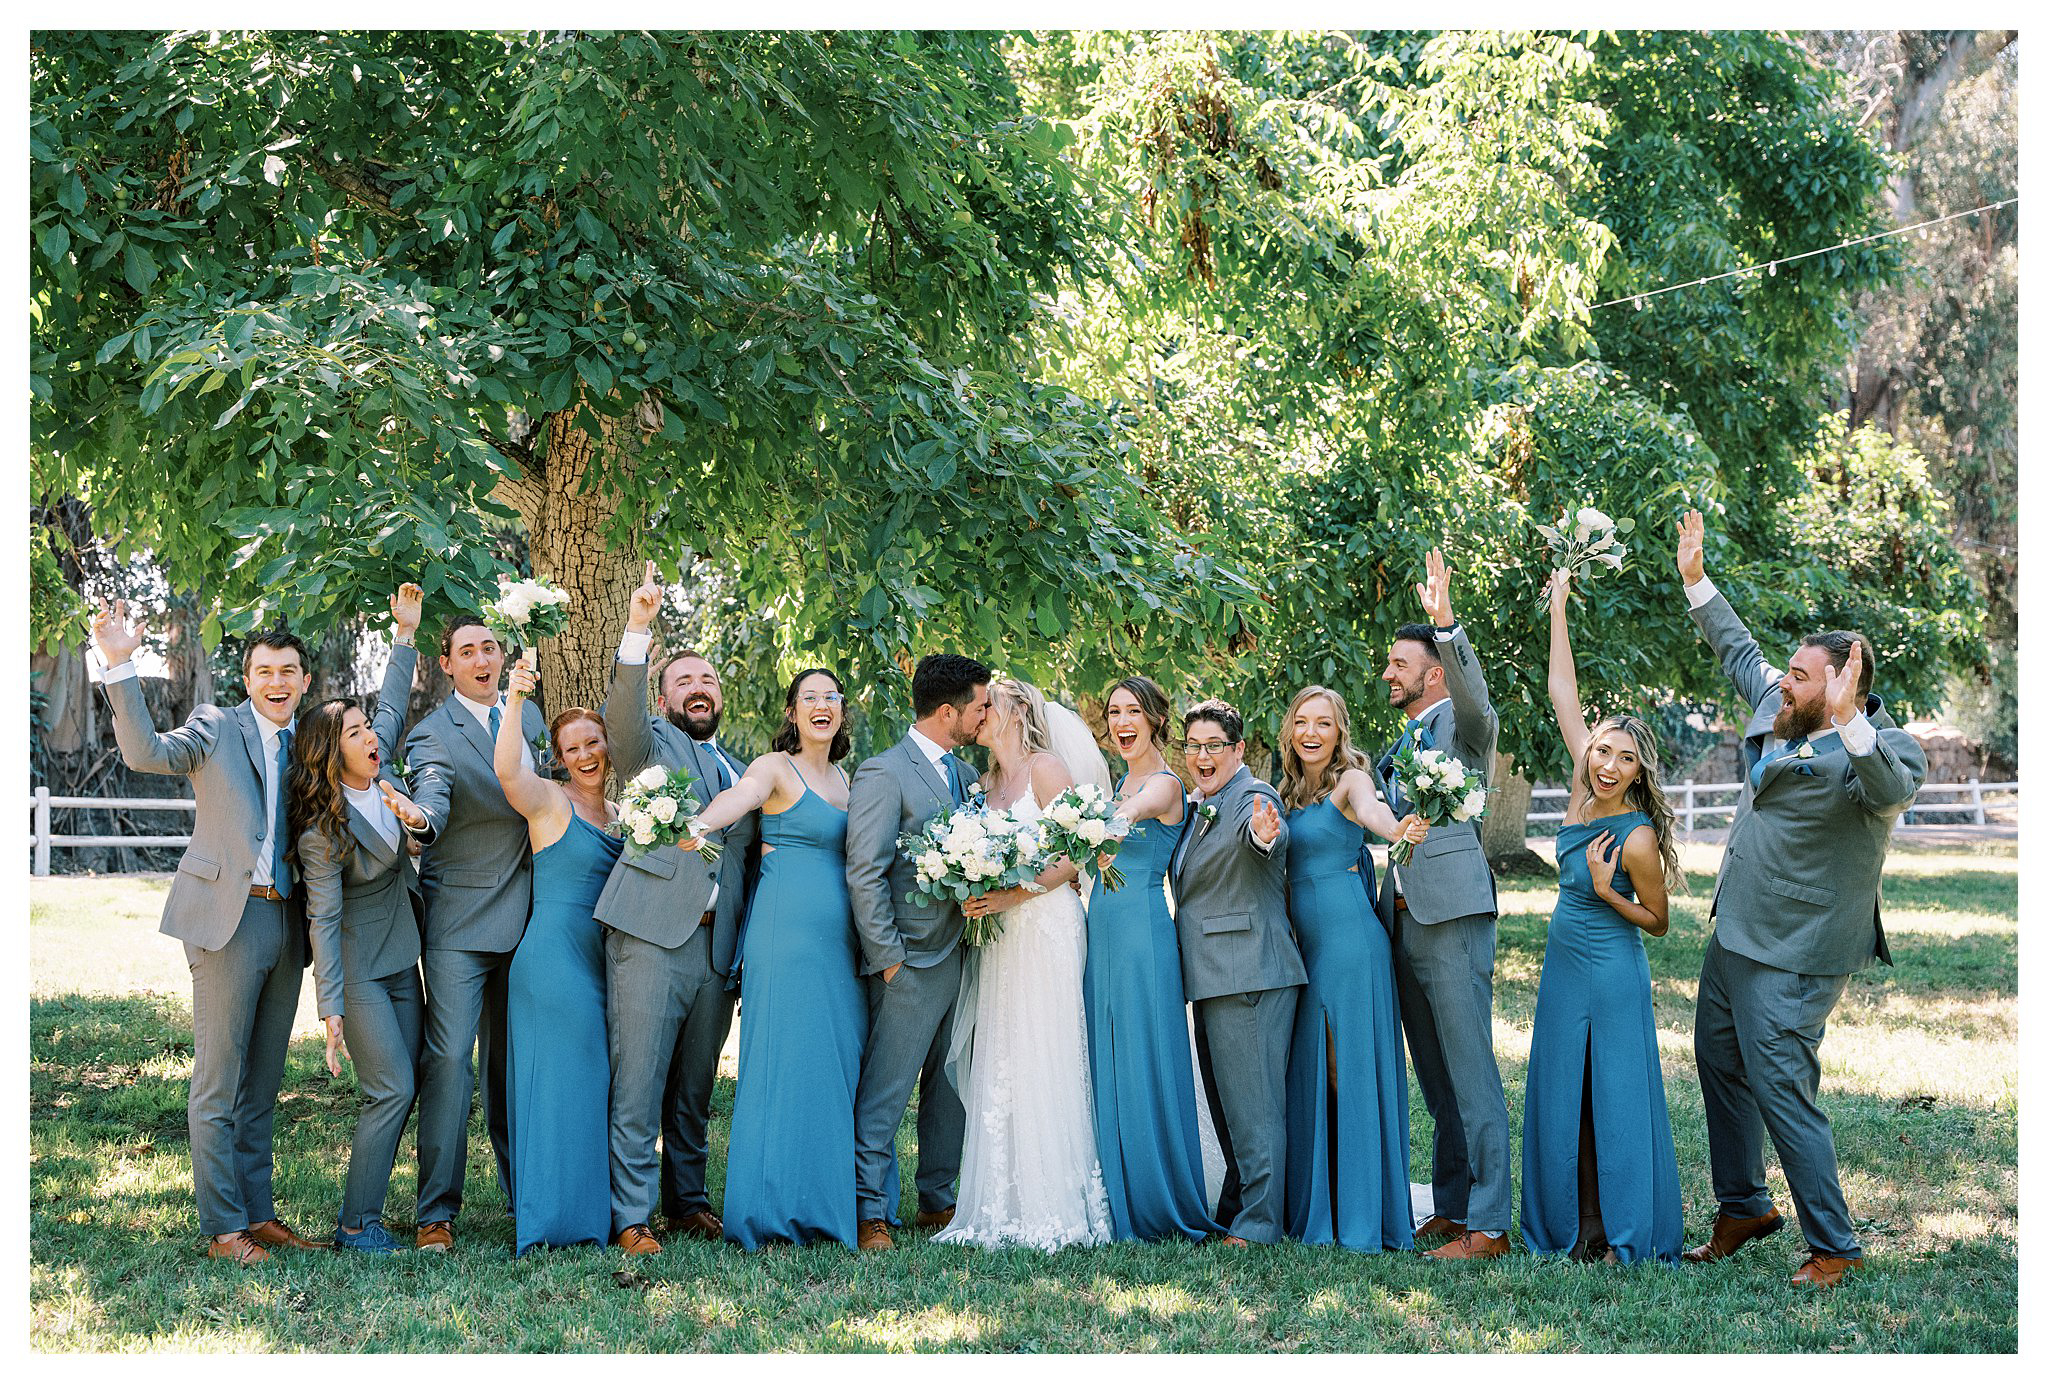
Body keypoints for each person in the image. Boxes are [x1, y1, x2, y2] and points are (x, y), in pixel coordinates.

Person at [1674, 510, 1927, 1288]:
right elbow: (1738, 649)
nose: (1783, 679)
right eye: (1789, 670)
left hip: (1796, 948)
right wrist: (1695, 580)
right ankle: (1744, 1205)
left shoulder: (1883, 751)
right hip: (1735, 931)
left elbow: (1887, 789)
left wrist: (1852, 723)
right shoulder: (1778, 708)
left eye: (1803, 674)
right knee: (1718, 1059)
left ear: (1844, 688)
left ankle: (1835, 1247)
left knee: (1783, 1085)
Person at [95, 604, 324, 1265]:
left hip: (287, 922)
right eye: (263, 671)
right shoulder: (216, 727)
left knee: (264, 1082)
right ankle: (225, 1229)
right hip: (228, 920)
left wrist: (401, 642)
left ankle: (259, 1213)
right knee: (219, 1081)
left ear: (305, 681)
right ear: (246, 679)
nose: (276, 681)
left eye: (287, 671)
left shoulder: (310, 740)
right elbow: (145, 753)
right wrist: (118, 664)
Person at [1518, 571, 1684, 1265]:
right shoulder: (1584, 795)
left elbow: (1659, 920)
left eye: (1623, 757)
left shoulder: (1638, 836)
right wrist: (1558, 606)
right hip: (1562, 966)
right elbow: (1563, 694)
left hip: (1615, 969)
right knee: (1564, 1092)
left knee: (1615, 1096)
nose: (1608, 762)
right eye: (1602, 750)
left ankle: (1625, 1235)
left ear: (1640, 773)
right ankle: (1573, 1227)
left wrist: (1605, 890)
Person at [594, 563, 756, 1253]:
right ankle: (629, 1216)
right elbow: (620, 730)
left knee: (693, 1089)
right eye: (684, 681)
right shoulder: (654, 747)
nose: (699, 689)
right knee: (638, 1082)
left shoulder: (743, 769)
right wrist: (638, 630)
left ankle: (686, 1200)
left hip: (717, 949)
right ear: (663, 700)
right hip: (652, 939)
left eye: (708, 680)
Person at [680, 669, 860, 1248]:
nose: (820, 706)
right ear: (792, 712)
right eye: (809, 697)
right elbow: (742, 796)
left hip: (838, 945)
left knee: (829, 1068)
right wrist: (702, 823)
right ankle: (766, 1211)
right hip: (784, 937)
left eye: (831, 697)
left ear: (841, 712)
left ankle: (824, 1210)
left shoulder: (846, 779)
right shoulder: (773, 767)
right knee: (780, 1064)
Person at [935, 679, 1115, 1251]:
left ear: (1018, 713)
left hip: (1045, 925)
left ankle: (1053, 1202)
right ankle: (999, 1200)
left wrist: (1016, 895)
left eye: (990, 706)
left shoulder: (1047, 769)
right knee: (1003, 1051)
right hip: (999, 935)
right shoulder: (983, 783)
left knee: (1045, 1047)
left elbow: (1076, 852)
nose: (979, 714)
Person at [1374, 548, 1511, 1261]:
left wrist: (1447, 625)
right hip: (1402, 919)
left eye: (1399, 664)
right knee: (1436, 1076)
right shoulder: (1401, 741)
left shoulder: (1463, 729)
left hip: (1453, 916)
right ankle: (1453, 1205)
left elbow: (1479, 703)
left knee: (1469, 1069)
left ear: (1433, 673)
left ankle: (1491, 1223)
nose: (1388, 674)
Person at [290, 583, 434, 1255]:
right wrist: (330, 1010)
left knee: (405, 1092)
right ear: (330, 749)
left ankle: (369, 1212)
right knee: (390, 1088)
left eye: (367, 728)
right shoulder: (322, 831)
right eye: (355, 732)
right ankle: (357, 1226)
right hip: (359, 975)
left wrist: (404, 635)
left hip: (403, 959)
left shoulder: (382, 778)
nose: (371, 735)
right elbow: (322, 918)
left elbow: (396, 702)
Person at [404, 615, 553, 1252]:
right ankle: (436, 1209)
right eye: (467, 651)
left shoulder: (534, 719)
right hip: (459, 924)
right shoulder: (431, 734)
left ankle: (530, 1197)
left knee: (513, 1068)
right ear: (448, 665)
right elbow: (432, 797)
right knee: (449, 1063)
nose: (481, 659)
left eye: (489, 647)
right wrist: (419, 822)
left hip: (530, 921)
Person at [846, 655, 991, 1252]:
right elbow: (865, 872)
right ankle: (870, 1208)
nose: (987, 716)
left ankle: (937, 1196)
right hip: (907, 959)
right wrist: (889, 959)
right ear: (948, 711)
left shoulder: (966, 774)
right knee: (886, 1089)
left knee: (950, 1086)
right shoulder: (884, 773)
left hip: (963, 953)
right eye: (981, 706)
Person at [1277, 685, 1429, 1253]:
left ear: (1340, 731)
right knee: (1315, 1070)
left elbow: (1374, 813)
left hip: (1348, 945)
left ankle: (1363, 1211)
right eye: (1301, 723)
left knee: (1346, 1071)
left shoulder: (1351, 781)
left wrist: (1397, 831)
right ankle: (1329, 1200)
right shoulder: (1288, 791)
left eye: (1323, 723)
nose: (1311, 733)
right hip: (1306, 950)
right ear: (1290, 731)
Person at [1084, 676, 1222, 1243]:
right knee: (1110, 1056)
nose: (1121, 722)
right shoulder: (1122, 778)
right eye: (1113, 711)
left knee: (1143, 1058)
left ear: (1156, 719)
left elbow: (1124, 817)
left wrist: (1073, 823)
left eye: (1133, 711)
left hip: (1142, 931)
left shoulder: (1162, 785)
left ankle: (1154, 1196)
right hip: (1104, 930)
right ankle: (1117, 1188)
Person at [493, 655, 618, 1254]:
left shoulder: (623, 815)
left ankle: (589, 1214)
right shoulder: (549, 803)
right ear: (560, 759)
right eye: (572, 749)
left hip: (604, 962)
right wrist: (515, 697)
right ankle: (547, 1223)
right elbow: (507, 771)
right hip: (553, 962)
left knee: (591, 1087)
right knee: (556, 1087)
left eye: (593, 742)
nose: (585, 755)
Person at [1169, 698, 1302, 1247]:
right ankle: (1237, 1207)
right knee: (1229, 1105)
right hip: (1214, 975)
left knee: (1255, 1107)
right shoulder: (1205, 804)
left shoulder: (1253, 797)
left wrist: (1266, 834)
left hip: (1249, 973)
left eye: (1214, 746)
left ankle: (1261, 1222)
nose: (1202, 756)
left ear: (1238, 749)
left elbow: (1265, 837)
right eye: (1194, 746)